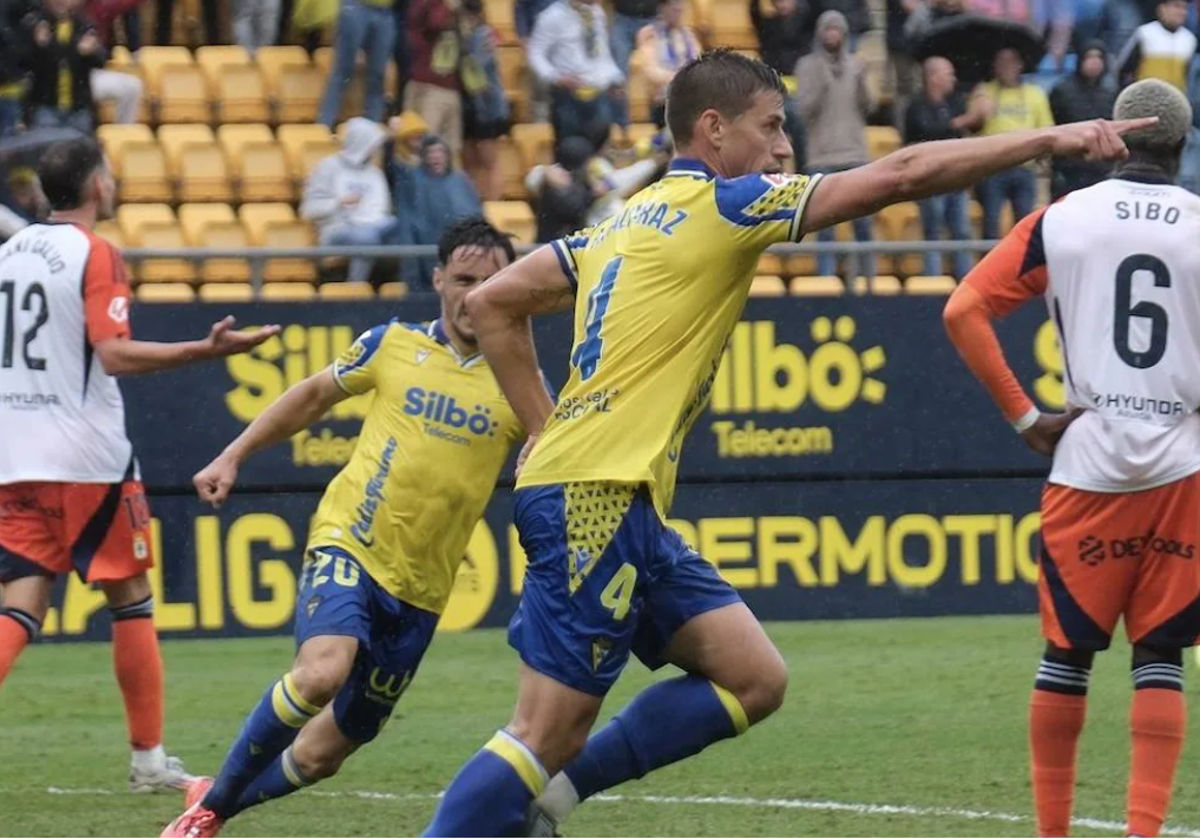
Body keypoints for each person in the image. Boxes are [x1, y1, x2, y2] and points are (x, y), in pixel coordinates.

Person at [417, 47, 1150, 837]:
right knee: (546, 731)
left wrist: (542, 427)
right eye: (768, 128)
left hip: (616, 495)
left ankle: (546, 807)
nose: (782, 148)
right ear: (712, 129)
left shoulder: (618, 223)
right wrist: (1047, 140)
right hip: (592, 496)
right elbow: (901, 175)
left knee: (750, 677)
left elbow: (493, 303)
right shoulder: (727, 205)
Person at [159, 220, 530, 839]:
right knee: (321, 673)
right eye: (464, 279)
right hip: (350, 544)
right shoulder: (393, 344)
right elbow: (309, 397)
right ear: (438, 279)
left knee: (324, 752)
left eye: (492, 281)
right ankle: (207, 814)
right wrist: (232, 455)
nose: (475, 295)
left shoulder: (521, 384)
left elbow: (555, 455)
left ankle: (215, 797)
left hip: (423, 590)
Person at [943, 79, 1195, 840]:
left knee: (1066, 657)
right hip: (1182, 463)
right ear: (1182, 148)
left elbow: (964, 309)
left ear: (1114, 138)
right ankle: (1143, 833)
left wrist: (1025, 416)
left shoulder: (1062, 221)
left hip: (1087, 461)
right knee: (1161, 656)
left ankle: (1053, 834)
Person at [0, 138, 279, 792]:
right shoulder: (97, 254)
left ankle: (150, 761)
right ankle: (150, 762)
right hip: (85, 455)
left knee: (20, 604)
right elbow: (115, 353)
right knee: (130, 599)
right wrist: (203, 352)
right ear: (97, 184)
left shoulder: (7, 255)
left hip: (15, 453)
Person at [795, 10, 874, 278]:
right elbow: (803, 111)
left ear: (844, 34)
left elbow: (868, 108)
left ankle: (869, 279)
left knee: (864, 224)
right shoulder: (807, 66)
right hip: (822, 157)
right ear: (820, 34)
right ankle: (825, 279)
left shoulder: (855, 65)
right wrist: (822, 84)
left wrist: (863, 80)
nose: (832, 35)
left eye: (837, 30)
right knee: (824, 227)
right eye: (828, 30)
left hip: (855, 153)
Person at [300, 117, 403, 285]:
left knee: (405, 229)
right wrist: (339, 203)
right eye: (372, 147)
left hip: (375, 226)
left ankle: (407, 288)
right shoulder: (328, 167)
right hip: (336, 229)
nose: (374, 152)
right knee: (366, 238)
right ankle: (355, 286)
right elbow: (309, 210)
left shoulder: (374, 173)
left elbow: (382, 209)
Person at [965, 47, 1053, 239]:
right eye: (1001, 62)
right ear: (994, 66)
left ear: (1020, 65)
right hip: (993, 167)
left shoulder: (1034, 93)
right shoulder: (984, 92)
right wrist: (979, 110)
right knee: (991, 222)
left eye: (1011, 62)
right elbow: (972, 128)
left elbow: (1046, 127)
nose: (1007, 67)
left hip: (1024, 166)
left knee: (1024, 223)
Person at [904, 56, 972, 278]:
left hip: (955, 178)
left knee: (962, 232)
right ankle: (932, 282)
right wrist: (957, 123)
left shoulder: (955, 103)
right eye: (948, 74)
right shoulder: (916, 105)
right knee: (933, 231)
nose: (953, 79)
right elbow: (926, 131)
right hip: (930, 180)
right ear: (932, 77)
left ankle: (965, 280)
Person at [528, 0, 624, 148]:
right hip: (568, 96)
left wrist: (616, 78)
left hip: (599, 94)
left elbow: (602, 54)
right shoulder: (552, 16)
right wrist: (556, 77)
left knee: (599, 150)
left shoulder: (597, 13)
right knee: (571, 151)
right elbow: (535, 53)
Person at [394, 135, 483, 287]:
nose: (436, 157)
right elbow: (410, 221)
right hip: (427, 253)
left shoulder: (460, 181)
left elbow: (476, 217)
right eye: (430, 153)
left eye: (440, 152)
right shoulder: (413, 181)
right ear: (424, 157)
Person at [23, 0, 107, 133]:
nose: (61, 2)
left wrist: (92, 51)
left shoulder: (84, 25)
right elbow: (25, 61)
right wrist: (39, 46)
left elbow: (101, 61)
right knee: (47, 151)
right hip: (45, 107)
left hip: (79, 109)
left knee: (80, 152)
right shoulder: (37, 23)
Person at [1049, 41, 1116, 199]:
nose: (1094, 61)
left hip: (1100, 170)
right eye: (1089, 56)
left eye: (1099, 57)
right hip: (1068, 169)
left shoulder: (1110, 93)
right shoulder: (1062, 91)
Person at [460, 0, 510, 201]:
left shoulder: (484, 34)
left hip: (487, 106)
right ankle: (473, 204)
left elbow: (475, 65)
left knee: (489, 161)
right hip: (467, 105)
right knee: (469, 161)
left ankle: (493, 205)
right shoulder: (460, 34)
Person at [318, 0, 396, 126]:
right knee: (343, 70)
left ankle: (371, 132)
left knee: (378, 75)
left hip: (386, 11)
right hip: (356, 5)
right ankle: (323, 126)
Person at [405, 0, 464, 161]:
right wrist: (449, 7)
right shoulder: (425, 5)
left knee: (451, 158)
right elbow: (435, 23)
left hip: (449, 88)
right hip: (427, 85)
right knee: (422, 152)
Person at [634, 0, 700, 128]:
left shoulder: (688, 35)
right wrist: (681, 78)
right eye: (674, 5)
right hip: (665, 102)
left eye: (680, 5)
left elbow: (699, 63)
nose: (679, 9)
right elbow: (651, 72)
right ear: (662, 8)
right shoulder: (649, 34)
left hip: (691, 100)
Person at [1117, 0, 1195, 92]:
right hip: (1145, 98)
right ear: (1162, 8)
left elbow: (1187, 75)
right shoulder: (1145, 33)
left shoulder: (1189, 39)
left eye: (1184, 8)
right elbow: (1125, 70)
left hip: (1174, 101)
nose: (1182, 12)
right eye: (1176, 6)